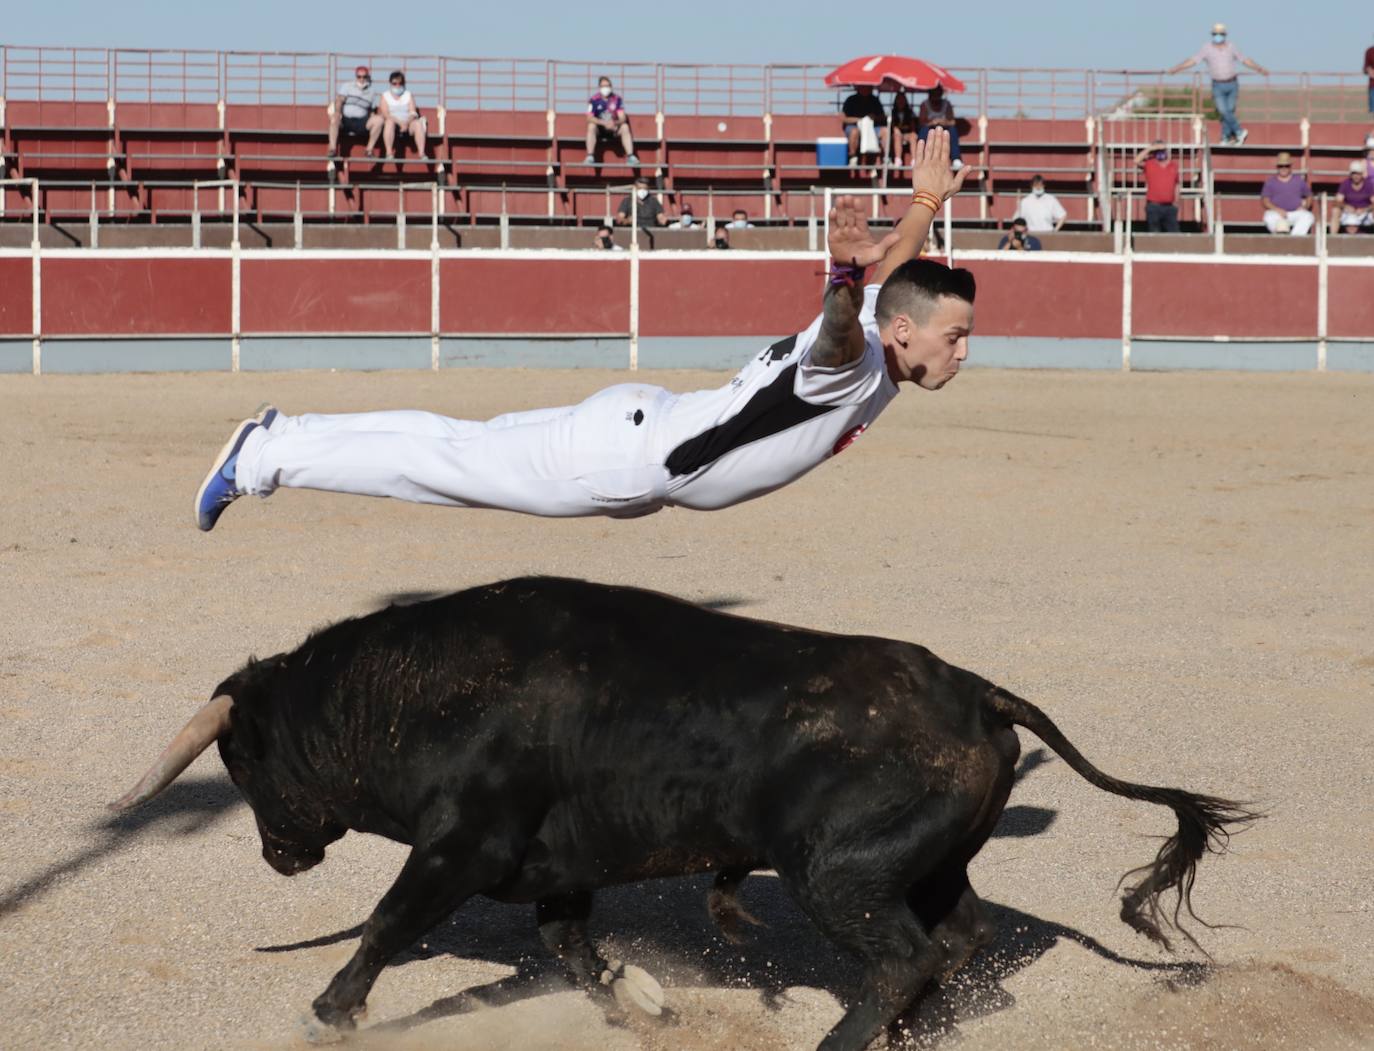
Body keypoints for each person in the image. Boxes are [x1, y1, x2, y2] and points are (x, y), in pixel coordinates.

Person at [193, 130, 974, 531]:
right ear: (903, 330)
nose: (963, 352)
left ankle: (278, 438)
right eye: (955, 337)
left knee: (448, 447)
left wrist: (928, 202)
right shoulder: (857, 357)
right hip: (626, 460)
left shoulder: (889, 327)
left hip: (636, 429)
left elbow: (897, 267)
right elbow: (841, 331)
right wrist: (841, 276)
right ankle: (265, 454)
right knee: (438, 464)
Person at [1169, 23, 1268, 146]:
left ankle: (1225, 137)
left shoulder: (1231, 47)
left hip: (1232, 83)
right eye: (1216, 34)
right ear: (1212, 35)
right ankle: (1239, 131)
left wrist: (1259, 68)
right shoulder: (1207, 48)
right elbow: (1193, 60)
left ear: (1224, 35)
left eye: (1220, 34)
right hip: (1218, 85)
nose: (1218, 36)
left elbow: (1244, 59)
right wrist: (1177, 68)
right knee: (1223, 110)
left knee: (1229, 111)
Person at [328, 65, 383, 159]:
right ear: (356, 77)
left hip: (362, 122)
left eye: (364, 77)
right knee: (334, 118)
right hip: (345, 120)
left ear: (367, 77)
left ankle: (369, 150)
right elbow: (339, 100)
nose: (362, 79)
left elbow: (372, 110)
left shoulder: (372, 92)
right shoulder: (347, 86)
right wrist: (337, 112)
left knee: (379, 120)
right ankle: (332, 149)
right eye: (359, 76)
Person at [585, 76, 639, 166]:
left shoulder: (617, 99)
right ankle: (590, 156)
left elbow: (622, 117)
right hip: (600, 129)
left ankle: (630, 156)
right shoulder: (594, 100)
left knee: (625, 127)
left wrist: (615, 123)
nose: (605, 88)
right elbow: (589, 117)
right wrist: (603, 123)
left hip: (614, 129)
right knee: (591, 126)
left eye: (608, 86)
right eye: (603, 86)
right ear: (599, 87)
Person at [377, 71, 429, 164]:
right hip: (393, 123)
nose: (397, 86)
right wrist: (400, 123)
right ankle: (389, 153)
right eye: (395, 83)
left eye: (400, 83)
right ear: (390, 83)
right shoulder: (385, 96)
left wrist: (406, 123)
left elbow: (413, 112)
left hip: (408, 123)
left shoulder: (408, 95)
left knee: (418, 124)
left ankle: (422, 153)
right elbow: (385, 113)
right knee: (389, 122)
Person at [1260, 153, 1314, 236]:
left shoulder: (1299, 180)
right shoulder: (1270, 182)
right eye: (1281, 166)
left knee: (1308, 216)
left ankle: (1294, 239)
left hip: (1295, 213)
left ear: (1290, 167)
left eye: (1286, 166)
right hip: (1277, 213)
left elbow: (1309, 196)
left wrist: (1305, 207)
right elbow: (1265, 200)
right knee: (1268, 217)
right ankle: (1280, 235)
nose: (1284, 168)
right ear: (1277, 167)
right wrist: (1277, 209)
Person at [1135, 140, 1181, 232]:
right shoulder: (1149, 164)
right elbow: (1136, 161)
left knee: (1175, 233)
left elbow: (1177, 184)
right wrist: (1150, 148)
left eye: (1163, 150)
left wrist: (1177, 201)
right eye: (1158, 151)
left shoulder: (1173, 165)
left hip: (1170, 207)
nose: (1161, 152)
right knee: (1154, 233)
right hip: (1154, 206)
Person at [841, 85, 887, 169]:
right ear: (858, 88)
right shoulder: (850, 100)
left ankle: (886, 158)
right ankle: (853, 158)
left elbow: (882, 116)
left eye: (869, 87)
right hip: (855, 127)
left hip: (872, 129)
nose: (867, 89)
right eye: (864, 87)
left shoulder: (875, 100)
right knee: (854, 131)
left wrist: (874, 117)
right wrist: (860, 120)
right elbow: (844, 119)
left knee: (885, 131)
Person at [917, 86, 963, 171]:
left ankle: (956, 158)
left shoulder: (947, 104)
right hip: (929, 131)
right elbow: (921, 122)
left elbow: (952, 122)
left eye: (938, 94)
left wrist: (943, 122)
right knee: (924, 129)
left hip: (944, 131)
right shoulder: (924, 104)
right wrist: (932, 122)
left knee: (953, 130)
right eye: (934, 93)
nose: (936, 96)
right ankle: (922, 157)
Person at [1332, 160, 1373, 234]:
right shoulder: (1345, 184)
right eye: (1354, 173)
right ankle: (1332, 237)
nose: (1356, 176)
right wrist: (1346, 206)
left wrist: (1365, 209)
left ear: (1362, 174)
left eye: (1358, 174)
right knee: (1335, 210)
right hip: (1349, 212)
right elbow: (1337, 202)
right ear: (1350, 174)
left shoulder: (1369, 185)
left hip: (1364, 213)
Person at [889, 90, 918, 168]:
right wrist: (897, 129)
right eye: (899, 99)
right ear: (896, 101)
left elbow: (912, 128)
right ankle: (898, 159)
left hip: (907, 134)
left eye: (902, 100)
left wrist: (910, 132)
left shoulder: (910, 112)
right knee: (897, 135)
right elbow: (893, 127)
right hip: (895, 136)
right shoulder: (892, 112)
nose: (900, 102)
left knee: (913, 136)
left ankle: (914, 160)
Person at [1364, 42, 1374, 114]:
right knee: (1372, 111)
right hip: (1373, 85)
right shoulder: (1370, 51)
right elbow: (1366, 66)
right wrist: (1369, 70)